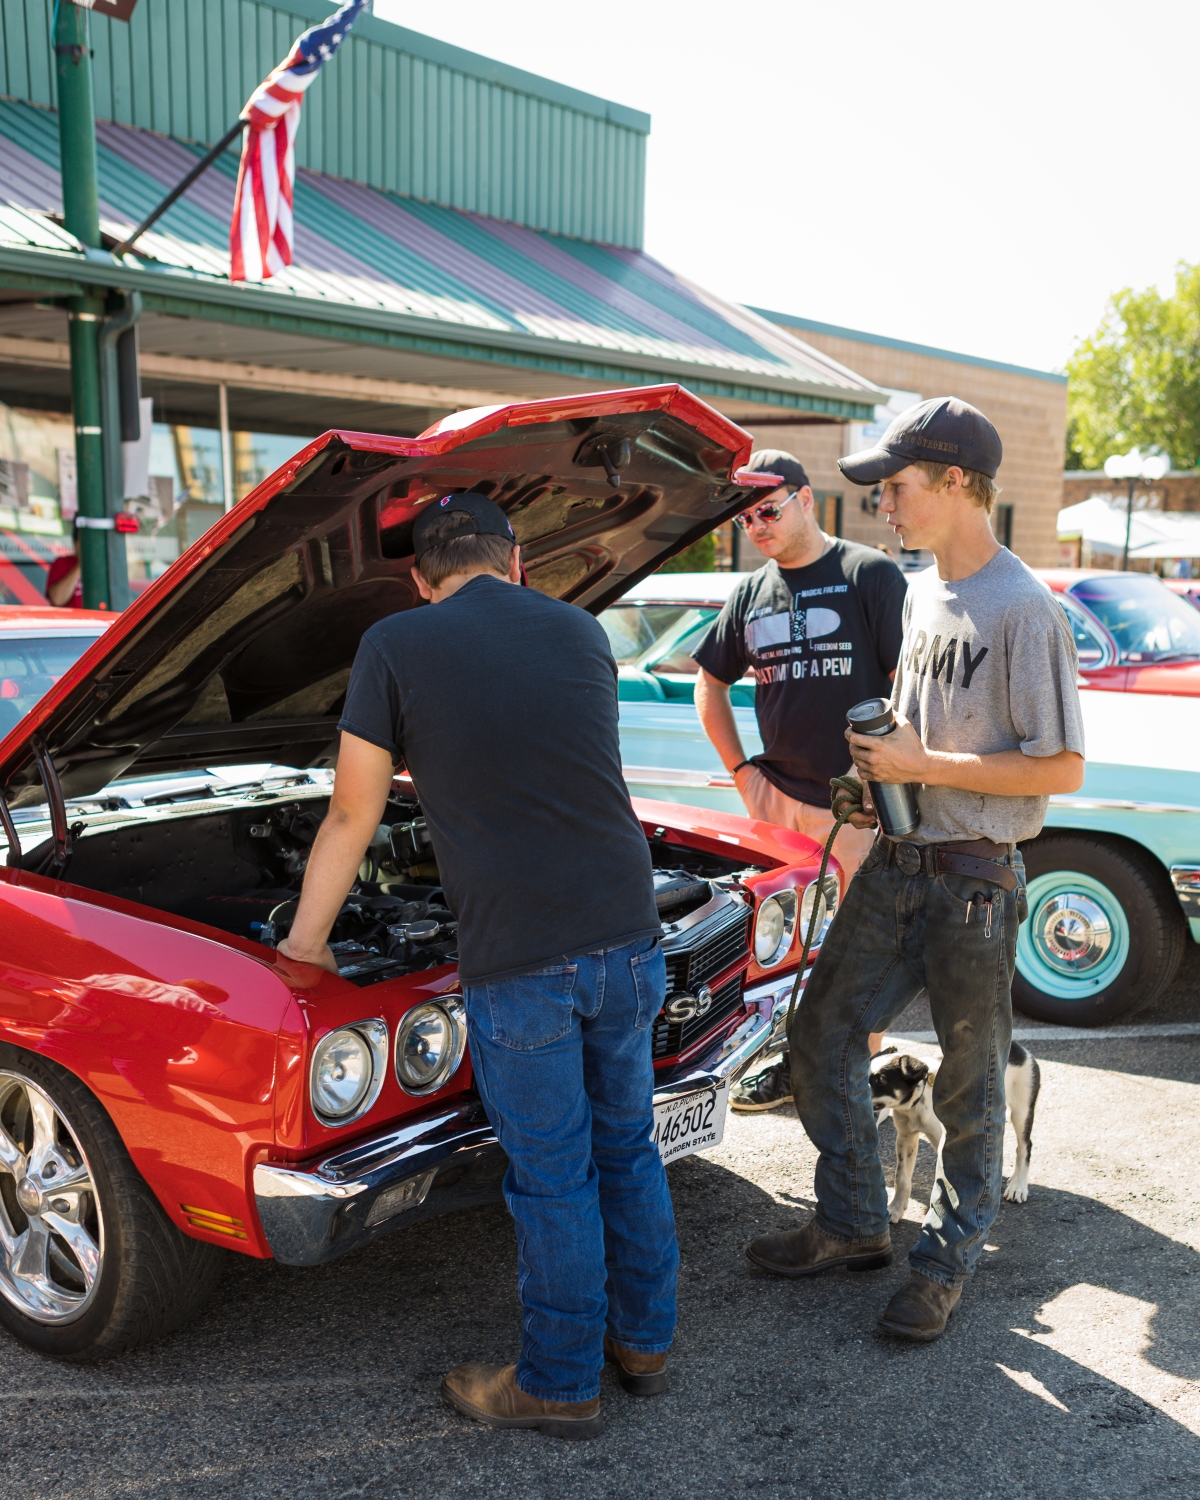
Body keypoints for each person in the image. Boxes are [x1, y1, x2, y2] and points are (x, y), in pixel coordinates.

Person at [277, 492, 677, 1440]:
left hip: (522, 954)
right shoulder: (584, 633)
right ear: (520, 561)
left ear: (421, 580)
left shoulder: (396, 645)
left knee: (553, 1178)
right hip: (629, 930)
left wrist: (302, 942)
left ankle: (559, 1381)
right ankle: (646, 1343)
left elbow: (350, 815)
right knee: (626, 1146)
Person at [745, 398, 1085, 1342]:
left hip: (976, 880)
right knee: (819, 1037)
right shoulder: (924, 589)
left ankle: (943, 1266)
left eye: (895, 487)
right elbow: (918, 725)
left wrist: (926, 767)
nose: (881, 506)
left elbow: (1062, 768)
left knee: (969, 1093)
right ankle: (855, 1223)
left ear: (953, 483)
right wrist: (877, 766)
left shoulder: (1023, 608)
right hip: (898, 860)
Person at [691, 450, 907, 1111]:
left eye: (767, 509)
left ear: (807, 499)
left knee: (864, 950)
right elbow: (711, 684)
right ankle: (788, 1066)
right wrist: (740, 773)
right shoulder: (751, 592)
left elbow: (910, 690)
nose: (755, 525)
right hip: (778, 802)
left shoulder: (867, 573)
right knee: (784, 946)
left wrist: (889, 776)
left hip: (859, 807)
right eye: (744, 516)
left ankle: (858, 1083)